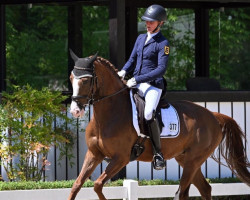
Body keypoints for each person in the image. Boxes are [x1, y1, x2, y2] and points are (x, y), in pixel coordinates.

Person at [118, 4, 169, 170]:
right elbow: (132, 59)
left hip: (153, 85)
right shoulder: (140, 38)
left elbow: (160, 69)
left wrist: (137, 79)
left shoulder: (163, 43)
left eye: (152, 22)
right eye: (147, 21)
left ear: (160, 23)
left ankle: (158, 153)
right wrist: (123, 71)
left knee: (148, 113)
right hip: (136, 82)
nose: (148, 24)